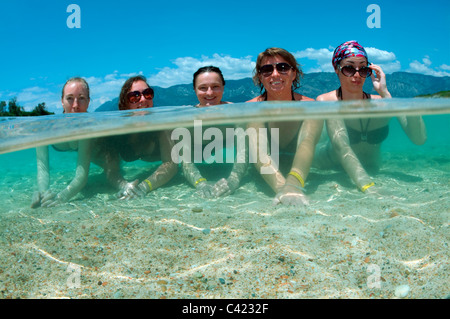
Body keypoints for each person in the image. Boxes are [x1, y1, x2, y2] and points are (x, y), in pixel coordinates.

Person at [314, 40, 427, 193]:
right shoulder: (327, 101)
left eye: (363, 69)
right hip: (327, 166)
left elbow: (418, 139)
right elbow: (342, 147)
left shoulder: (383, 103)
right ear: (336, 68)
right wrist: (367, 185)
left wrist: (385, 93)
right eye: (349, 68)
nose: (356, 74)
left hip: (371, 169)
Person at [247, 48, 323, 206]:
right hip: (262, 177)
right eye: (267, 70)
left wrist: (293, 184)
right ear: (260, 77)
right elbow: (259, 151)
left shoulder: (311, 107)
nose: (275, 74)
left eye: (283, 68)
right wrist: (285, 189)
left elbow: (307, 141)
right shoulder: (251, 108)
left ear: (294, 73)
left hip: (299, 173)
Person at [101, 75, 178, 199]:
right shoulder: (116, 133)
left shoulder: (163, 125)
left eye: (147, 93)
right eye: (134, 96)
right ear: (124, 105)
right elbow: (111, 171)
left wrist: (144, 187)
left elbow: (171, 164)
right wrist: (125, 186)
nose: (143, 99)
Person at [181, 66, 248, 197]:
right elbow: (186, 161)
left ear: (223, 87)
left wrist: (234, 180)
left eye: (215, 86)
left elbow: (243, 153)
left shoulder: (237, 113)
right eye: (203, 88)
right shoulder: (186, 118)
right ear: (195, 90)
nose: (210, 93)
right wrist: (200, 183)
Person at [31, 77, 94, 207]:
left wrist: (62, 197)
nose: (75, 105)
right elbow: (42, 166)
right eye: (70, 98)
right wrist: (43, 192)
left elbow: (81, 176)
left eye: (81, 98)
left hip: (98, 149)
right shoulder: (45, 129)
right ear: (62, 101)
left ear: (88, 102)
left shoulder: (88, 127)